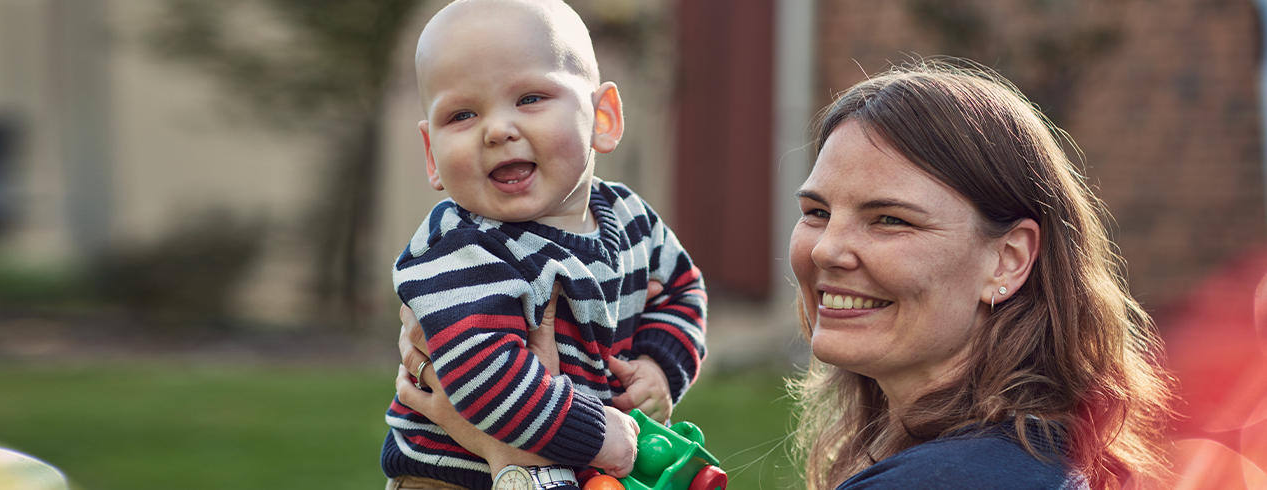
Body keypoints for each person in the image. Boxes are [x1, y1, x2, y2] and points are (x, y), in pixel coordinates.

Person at [788, 59, 1173, 490]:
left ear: (1007, 259)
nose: (826, 250)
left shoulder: (944, 480)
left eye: (889, 220)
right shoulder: (1038, 456)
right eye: (817, 212)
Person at [381, 1, 708, 489]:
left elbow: (682, 291)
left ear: (602, 117)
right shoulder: (460, 248)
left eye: (530, 98)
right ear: (433, 155)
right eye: (463, 114)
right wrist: (601, 438)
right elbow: (484, 374)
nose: (497, 130)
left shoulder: (632, 219)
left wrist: (660, 368)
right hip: (454, 478)